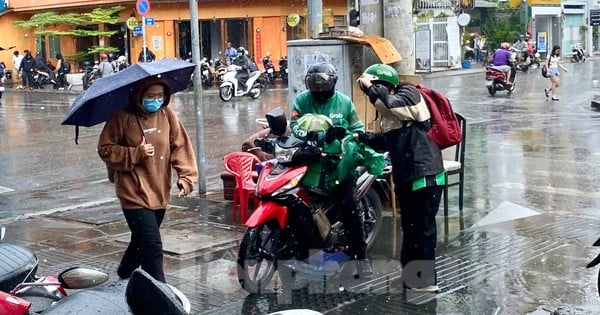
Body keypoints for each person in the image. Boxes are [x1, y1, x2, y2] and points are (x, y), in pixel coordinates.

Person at [97, 76, 198, 282]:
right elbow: (105, 149)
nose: (156, 100)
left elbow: (180, 145)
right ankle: (161, 296)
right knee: (153, 248)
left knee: (140, 241)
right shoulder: (121, 116)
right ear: (138, 95)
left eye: (160, 96)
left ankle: (125, 273)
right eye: (151, 96)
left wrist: (186, 177)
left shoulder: (167, 114)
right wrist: (135, 153)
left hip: (160, 190)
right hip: (133, 192)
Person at [355, 64, 444, 292]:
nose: (371, 94)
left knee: (422, 229)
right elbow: (388, 140)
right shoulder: (394, 111)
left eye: (374, 87)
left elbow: (388, 105)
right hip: (407, 173)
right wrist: (360, 137)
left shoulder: (408, 94)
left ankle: (425, 282)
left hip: (425, 172)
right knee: (411, 227)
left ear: (383, 85)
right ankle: (410, 278)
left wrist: (369, 88)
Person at [289, 62, 372, 278]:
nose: (318, 90)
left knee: (351, 210)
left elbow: (357, 129)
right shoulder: (302, 100)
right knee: (297, 208)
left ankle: (361, 258)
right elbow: (294, 126)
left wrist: (344, 137)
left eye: (322, 85)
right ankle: (304, 256)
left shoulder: (344, 102)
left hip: (339, 167)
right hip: (309, 165)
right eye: (313, 85)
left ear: (332, 83)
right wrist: (311, 135)